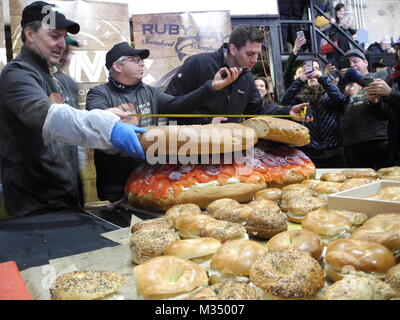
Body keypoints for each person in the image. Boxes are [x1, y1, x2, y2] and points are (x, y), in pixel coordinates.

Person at [0, 2, 151, 217]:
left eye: (64, 37)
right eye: (54, 36)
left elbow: (72, 130)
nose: (62, 44)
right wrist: (109, 128)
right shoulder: (17, 75)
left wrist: (108, 125)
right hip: (34, 203)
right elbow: (49, 117)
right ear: (30, 34)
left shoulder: (60, 79)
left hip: (69, 197)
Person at [86, 42, 241, 202]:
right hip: (114, 184)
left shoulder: (150, 91)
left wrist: (211, 87)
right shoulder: (98, 94)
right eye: (134, 59)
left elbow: (178, 105)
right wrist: (108, 116)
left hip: (147, 177)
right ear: (117, 66)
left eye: (141, 59)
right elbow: (96, 118)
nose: (142, 62)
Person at [165, 24, 310, 126]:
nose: (254, 60)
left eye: (257, 54)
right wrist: (205, 122)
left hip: (228, 150)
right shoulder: (199, 63)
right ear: (233, 49)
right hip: (191, 151)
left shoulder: (245, 76)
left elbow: (258, 110)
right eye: (249, 54)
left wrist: (286, 111)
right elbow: (170, 106)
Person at [280, 59, 348, 168]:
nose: (312, 73)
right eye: (308, 70)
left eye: (316, 69)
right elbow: (284, 102)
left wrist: (322, 78)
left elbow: (341, 100)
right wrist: (300, 79)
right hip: (308, 152)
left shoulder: (330, 92)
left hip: (334, 151)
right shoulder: (300, 96)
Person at [338, 49, 389, 169]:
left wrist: (356, 77)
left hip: (377, 138)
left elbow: (378, 87)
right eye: (349, 64)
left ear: (365, 62)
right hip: (352, 141)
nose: (352, 65)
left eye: (355, 61)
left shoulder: (378, 75)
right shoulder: (345, 85)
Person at [365, 38, 400, 165]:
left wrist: (391, 94)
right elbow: (386, 115)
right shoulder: (393, 78)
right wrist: (375, 103)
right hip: (396, 147)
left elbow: (392, 97)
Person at [326, 4, 357, 68]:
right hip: (335, 52)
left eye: (343, 11)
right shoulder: (333, 21)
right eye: (339, 11)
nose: (342, 13)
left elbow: (354, 32)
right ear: (335, 12)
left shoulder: (347, 22)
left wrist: (351, 23)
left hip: (345, 50)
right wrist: (336, 24)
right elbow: (328, 32)